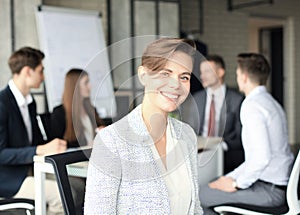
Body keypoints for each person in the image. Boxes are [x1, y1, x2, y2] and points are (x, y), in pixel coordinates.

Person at [84, 38, 203, 214]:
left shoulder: (187, 135)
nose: (175, 85)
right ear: (143, 75)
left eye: (184, 77)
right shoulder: (112, 141)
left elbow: (195, 208)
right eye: (165, 73)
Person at [199, 53, 294, 215]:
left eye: (237, 74)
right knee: (214, 184)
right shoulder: (271, 102)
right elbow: (256, 159)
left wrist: (236, 183)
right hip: (275, 184)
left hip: (269, 191)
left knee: (200, 195)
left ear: (243, 77)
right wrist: (230, 177)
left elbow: (261, 158)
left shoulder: (252, 105)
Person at [0, 47, 67, 214]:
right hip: (9, 178)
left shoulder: (30, 102)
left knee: (76, 185)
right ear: (27, 71)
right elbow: (1, 154)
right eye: (41, 71)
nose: (43, 77)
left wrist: (51, 146)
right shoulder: (2, 103)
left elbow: (35, 141)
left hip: (29, 169)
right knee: (62, 195)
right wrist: (39, 150)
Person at [182, 55, 244, 173]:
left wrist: (218, 147)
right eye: (201, 72)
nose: (202, 76)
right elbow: (190, 131)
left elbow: (240, 136)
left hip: (227, 156)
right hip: (199, 155)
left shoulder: (237, 99)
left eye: (207, 71)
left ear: (220, 72)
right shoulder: (197, 99)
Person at [50, 68, 105, 148]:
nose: (90, 86)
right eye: (86, 83)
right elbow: (58, 144)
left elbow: (100, 128)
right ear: (75, 86)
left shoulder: (91, 109)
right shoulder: (59, 113)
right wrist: (86, 146)